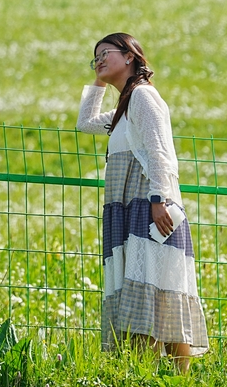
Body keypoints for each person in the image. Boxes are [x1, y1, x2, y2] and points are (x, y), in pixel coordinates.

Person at [76, 33, 208, 372]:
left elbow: (159, 151)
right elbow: (85, 123)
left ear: (131, 56)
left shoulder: (144, 98)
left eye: (106, 54)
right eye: (95, 58)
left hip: (149, 208)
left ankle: (160, 377)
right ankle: (166, 377)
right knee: (153, 293)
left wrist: (158, 199)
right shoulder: (125, 106)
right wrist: (98, 79)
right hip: (130, 209)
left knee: (155, 294)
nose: (100, 60)